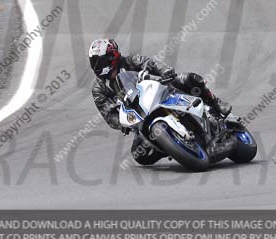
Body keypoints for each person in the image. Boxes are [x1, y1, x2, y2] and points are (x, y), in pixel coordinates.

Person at [89, 38, 231, 166]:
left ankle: (216, 103)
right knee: (139, 155)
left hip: (158, 93)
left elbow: (150, 64)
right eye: (93, 61)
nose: (96, 65)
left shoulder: (130, 61)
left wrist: (165, 71)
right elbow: (108, 114)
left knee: (189, 79)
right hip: (137, 116)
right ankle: (172, 146)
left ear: (111, 56)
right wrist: (122, 123)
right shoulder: (98, 89)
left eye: (99, 61)